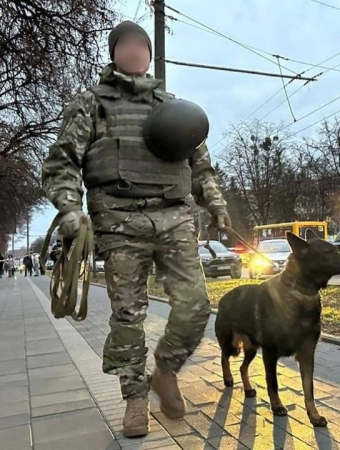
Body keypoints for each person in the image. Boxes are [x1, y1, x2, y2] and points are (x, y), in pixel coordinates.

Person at [41, 20, 229, 438]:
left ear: (148, 54)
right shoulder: (93, 104)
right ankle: (135, 398)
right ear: (114, 53)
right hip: (119, 220)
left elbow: (200, 164)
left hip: (175, 216)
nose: (134, 52)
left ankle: (166, 370)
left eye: (140, 46)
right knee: (128, 315)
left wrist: (215, 204)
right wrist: (70, 208)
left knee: (196, 305)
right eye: (125, 46)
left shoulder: (173, 106)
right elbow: (62, 161)